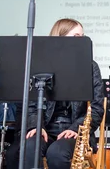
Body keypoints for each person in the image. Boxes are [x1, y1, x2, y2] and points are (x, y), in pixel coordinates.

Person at [5, 18, 104, 169]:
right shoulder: (41, 64)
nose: (81, 40)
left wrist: (75, 129)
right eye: (76, 36)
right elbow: (31, 104)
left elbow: (97, 108)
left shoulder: (90, 67)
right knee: (30, 148)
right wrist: (35, 126)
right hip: (46, 128)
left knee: (57, 153)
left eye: (82, 36)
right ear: (60, 38)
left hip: (75, 131)